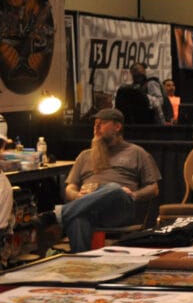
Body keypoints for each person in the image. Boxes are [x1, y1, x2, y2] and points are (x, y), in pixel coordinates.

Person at [55, 108, 161, 252]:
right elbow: (70, 188)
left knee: (113, 188)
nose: (96, 127)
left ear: (117, 127)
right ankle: (81, 259)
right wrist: (77, 196)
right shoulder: (84, 155)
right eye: (95, 124)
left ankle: (58, 215)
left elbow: (153, 188)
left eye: (102, 123)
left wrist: (134, 195)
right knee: (78, 217)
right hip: (88, 207)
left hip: (118, 209)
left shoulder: (137, 152)